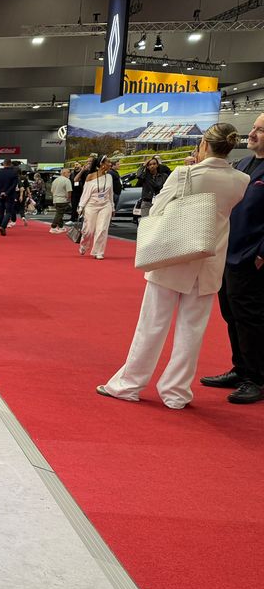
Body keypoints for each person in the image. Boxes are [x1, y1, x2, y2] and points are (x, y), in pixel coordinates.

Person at [97, 124, 248, 409]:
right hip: (210, 260)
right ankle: (176, 392)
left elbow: (158, 209)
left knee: (152, 324)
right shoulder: (241, 180)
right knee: (192, 330)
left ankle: (129, 384)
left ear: (204, 144)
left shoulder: (183, 174)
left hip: (174, 255)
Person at [201, 112, 264, 404]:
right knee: (232, 315)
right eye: (254, 128)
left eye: (260, 130)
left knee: (251, 319)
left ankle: (256, 378)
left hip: (253, 257)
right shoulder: (243, 164)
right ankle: (241, 369)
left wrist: (261, 253)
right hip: (228, 253)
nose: (252, 133)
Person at [77, 155, 116, 260]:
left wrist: (112, 207)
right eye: (108, 162)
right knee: (88, 230)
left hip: (105, 205)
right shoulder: (90, 177)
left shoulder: (109, 177)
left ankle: (98, 251)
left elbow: (110, 193)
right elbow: (85, 193)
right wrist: (81, 207)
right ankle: (84, 244)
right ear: (101, 164)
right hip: (91, 206)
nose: (110, 164)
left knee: (102, 229)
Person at [0, 159, 19, 235]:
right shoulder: (14, 173)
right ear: (10, 164)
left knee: (0, 212)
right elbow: (14, 185)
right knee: (8, 212)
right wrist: (6, 193)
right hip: (9, 196)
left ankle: (0, 226)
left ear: (3, 164)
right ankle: (3, 226)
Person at [49, 168, 72, 233]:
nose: (69, 174)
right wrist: (69, 198)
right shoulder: (67, 180)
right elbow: (69, 191)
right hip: (62, 199)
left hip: (55, 200)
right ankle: (53, 227)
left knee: (59, 214)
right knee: (59, 214)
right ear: (64, 173)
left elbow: (52, 191)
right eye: (68, 172)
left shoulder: (55, 180)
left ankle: (61, 227)